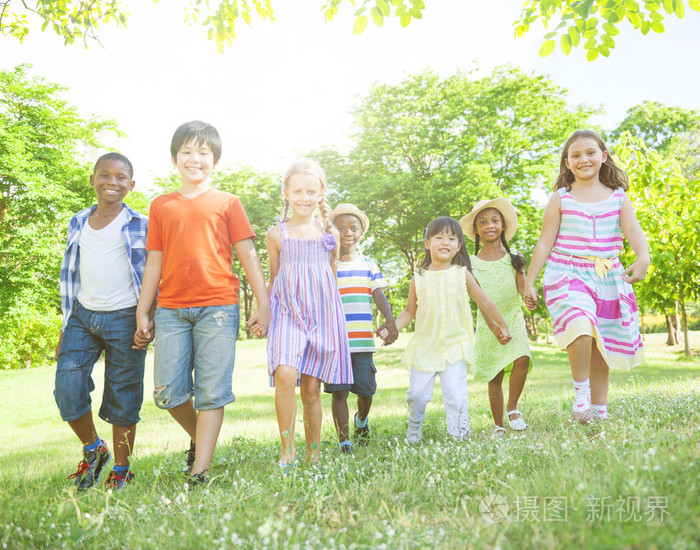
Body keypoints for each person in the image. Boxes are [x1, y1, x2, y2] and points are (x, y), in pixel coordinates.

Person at [134, 121, 270, 486]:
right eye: (187, 152)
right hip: (172, 310)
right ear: (175, 158)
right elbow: (155, 261)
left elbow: (248, 254)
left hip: (218, 309)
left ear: (216, 160)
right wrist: (142, 309)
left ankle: (200, 470)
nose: (195, 159)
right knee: (167, 392)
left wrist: (263, 301)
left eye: (203, 153)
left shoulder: (228, 203)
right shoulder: (161, 205)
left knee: (211, 392)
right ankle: (201, 440)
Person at [523, 130, 649, 423]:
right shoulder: (560, 199)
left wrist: (643, 257)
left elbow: (633, 232)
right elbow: (544, 242)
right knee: (579, 323)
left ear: (603, 156)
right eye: (575, 155)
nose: (584, 159)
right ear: (567, 163)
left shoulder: (618, 198)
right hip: (567, 273)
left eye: (590, 152)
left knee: (600, 342)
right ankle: (581, 393)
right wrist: (530, 281)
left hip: (607, 276)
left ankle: (599, 410)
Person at [55, 152, 150, 490]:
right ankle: (95, 449)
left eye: (121, 177)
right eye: (105, 175)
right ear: (93, 179)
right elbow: (70, 275)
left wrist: (146, 317)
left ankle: (121, 469)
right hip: (82, 315)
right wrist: (66, 324)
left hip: (125, 317)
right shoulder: (78, 221)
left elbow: (152, 275)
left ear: (131, 184)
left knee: (123, 395)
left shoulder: (141, 223)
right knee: (66, 386)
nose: (112, 182)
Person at [379, 217, 511, 443]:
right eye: (439, 237)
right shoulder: (418, 278)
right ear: (427, 243)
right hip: (425, 346)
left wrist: (502, 324)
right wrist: (393, 330)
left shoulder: (462, 274)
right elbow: (409, 312)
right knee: (417, 395)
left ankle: (458, 433)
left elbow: (485, 301)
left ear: (459, 246)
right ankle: (414, 427)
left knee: (455, 395)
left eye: (451, 238)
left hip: (455, 346)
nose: (445, 242)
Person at [266, 159, 353, 465]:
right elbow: (275, 278)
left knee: (312, 389)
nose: (304, 197)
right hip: (288, 312)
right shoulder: (277, 234)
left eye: (311, 191)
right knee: (286, 373)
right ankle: (287, 450)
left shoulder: (330, 233)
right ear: (286, 193)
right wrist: (264, 312)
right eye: (298, 190)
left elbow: (330, 276)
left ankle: (313, 453)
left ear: (321, 194)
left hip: (322, 315)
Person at [323, 203, 398, 454]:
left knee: (366, 391)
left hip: (362, 342)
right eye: (340, 227)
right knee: (339, 392)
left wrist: (390, 320)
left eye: (353, 228)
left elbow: (378, 293)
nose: (347, 232)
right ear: (330, 231)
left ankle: (361, 421)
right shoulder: (326, 264)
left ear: (361, 233)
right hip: (336, 342)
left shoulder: (368, 264)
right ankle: (344, 441)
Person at [461, 198, 532, 438]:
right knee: (495, 372)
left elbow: (522, 289)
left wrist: (529, 294)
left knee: (522, 358)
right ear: (476, 229)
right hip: (488, 323)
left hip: (513, 316)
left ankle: (513, 407)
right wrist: (492, 326)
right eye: (482, 222)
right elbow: (480, 300)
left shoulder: (515, 257)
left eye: (494, 220)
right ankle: (499, 424)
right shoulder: (471, 263)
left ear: (503, 225)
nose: (489, 225)